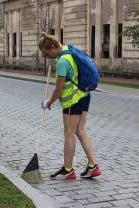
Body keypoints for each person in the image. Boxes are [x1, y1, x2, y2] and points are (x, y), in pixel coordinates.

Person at [39, 32, 101, 180]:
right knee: (80, 130)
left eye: (48, 54)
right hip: (84, 95)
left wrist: (49, 102)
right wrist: (56, 62)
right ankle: (93, 166)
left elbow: (59, 89)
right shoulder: (68, 50)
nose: (48, 57)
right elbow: (71, 70)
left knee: (69, 133)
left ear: (53, 47)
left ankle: (68, 170)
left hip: (73, 100)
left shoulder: (62, 62)